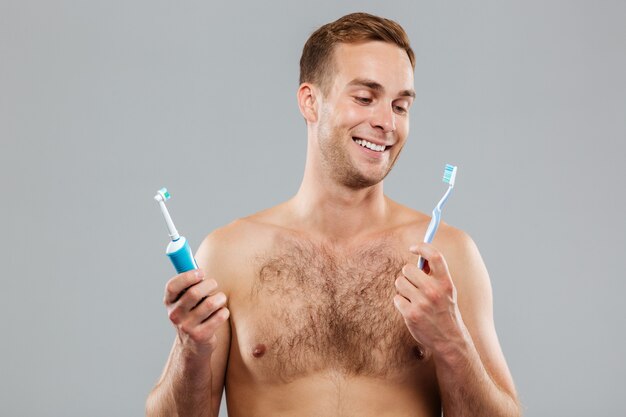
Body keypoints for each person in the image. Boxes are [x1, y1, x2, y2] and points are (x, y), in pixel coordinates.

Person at [146, 12, 521, 417]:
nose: (386, 122)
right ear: (310, 101)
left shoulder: (445, 257)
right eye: (364, 98)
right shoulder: (229, 254)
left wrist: (452, 341)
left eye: (401, 105)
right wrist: (192, 351)